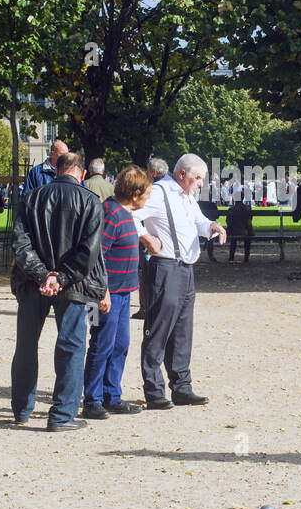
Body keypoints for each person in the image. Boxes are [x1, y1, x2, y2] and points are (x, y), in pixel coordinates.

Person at [9, 152, 106, 431]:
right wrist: (60, 277)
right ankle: (62, 414)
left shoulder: (32, 198)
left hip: (32, 281)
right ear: (83, 173)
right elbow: (89, 253)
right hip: (74, 284)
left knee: (26, 344)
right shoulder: (91, 202)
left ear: (56, 171)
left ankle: (22, 409)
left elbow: (21, 244)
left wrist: (43, 275)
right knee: (72, 346)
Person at [133, 153, 226, 410]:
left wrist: (211, 227)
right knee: (159, 330)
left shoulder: (187, 196)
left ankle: (182, 388)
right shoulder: (158, 192)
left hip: (186, 269)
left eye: (202, 179)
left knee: (183, 332)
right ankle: (154, 391)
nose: (200, 184)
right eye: (198, 178)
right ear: (182, 174)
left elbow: (197, 221)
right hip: (164, 267)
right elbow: (128, 214)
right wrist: (146, 237)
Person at [81, 166, 162, 420]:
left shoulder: (126, 214)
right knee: (100, 343)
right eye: (147, 193)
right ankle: (92, 399)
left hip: (123, 293)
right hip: (105, 295)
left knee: (120, 344)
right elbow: (96, 256)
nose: (148, 197)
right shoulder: (110, 214)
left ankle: (111, 395)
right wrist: (102, 292)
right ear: (135, 193)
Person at [133, 157, 169, 321]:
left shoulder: (151, 192)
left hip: (151, 241)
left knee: (145, 273)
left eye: (147, 171)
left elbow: (135, 214)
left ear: (153, 173)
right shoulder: (173, 190)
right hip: (168, 244)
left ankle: (145, 307)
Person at [226, 194, 254, 262]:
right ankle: (246, 257)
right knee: (248, 235)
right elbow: (250, 219)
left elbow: (228, 221)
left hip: (233, 231)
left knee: (234, 237)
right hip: (245, 231)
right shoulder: (248, 208)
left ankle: (231, 257)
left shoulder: (231, 209)